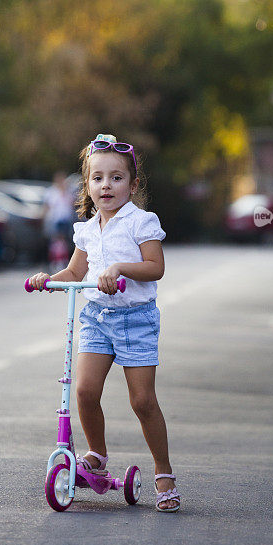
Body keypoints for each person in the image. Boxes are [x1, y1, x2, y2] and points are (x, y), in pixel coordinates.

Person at [28, 133, 180, 512]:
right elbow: (74, 271)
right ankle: (96, 454)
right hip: (97, 318)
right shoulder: (85, 229)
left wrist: (118, 269)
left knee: (142, 401)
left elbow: (155, 268)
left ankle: (164, 473)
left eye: (116, 178)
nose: (106, 185)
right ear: (88, 184)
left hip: (136, 319)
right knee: (83, 391)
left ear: (133, 184)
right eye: (97, 178)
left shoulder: (141, 222)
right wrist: (47, 279)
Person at [42, 172, 75, 243]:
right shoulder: (51, 192)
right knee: (55, 240)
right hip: (54, 220)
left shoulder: (69, 192)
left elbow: (72, 204)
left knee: (65, 240)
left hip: (66, 219)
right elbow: (47, 206)